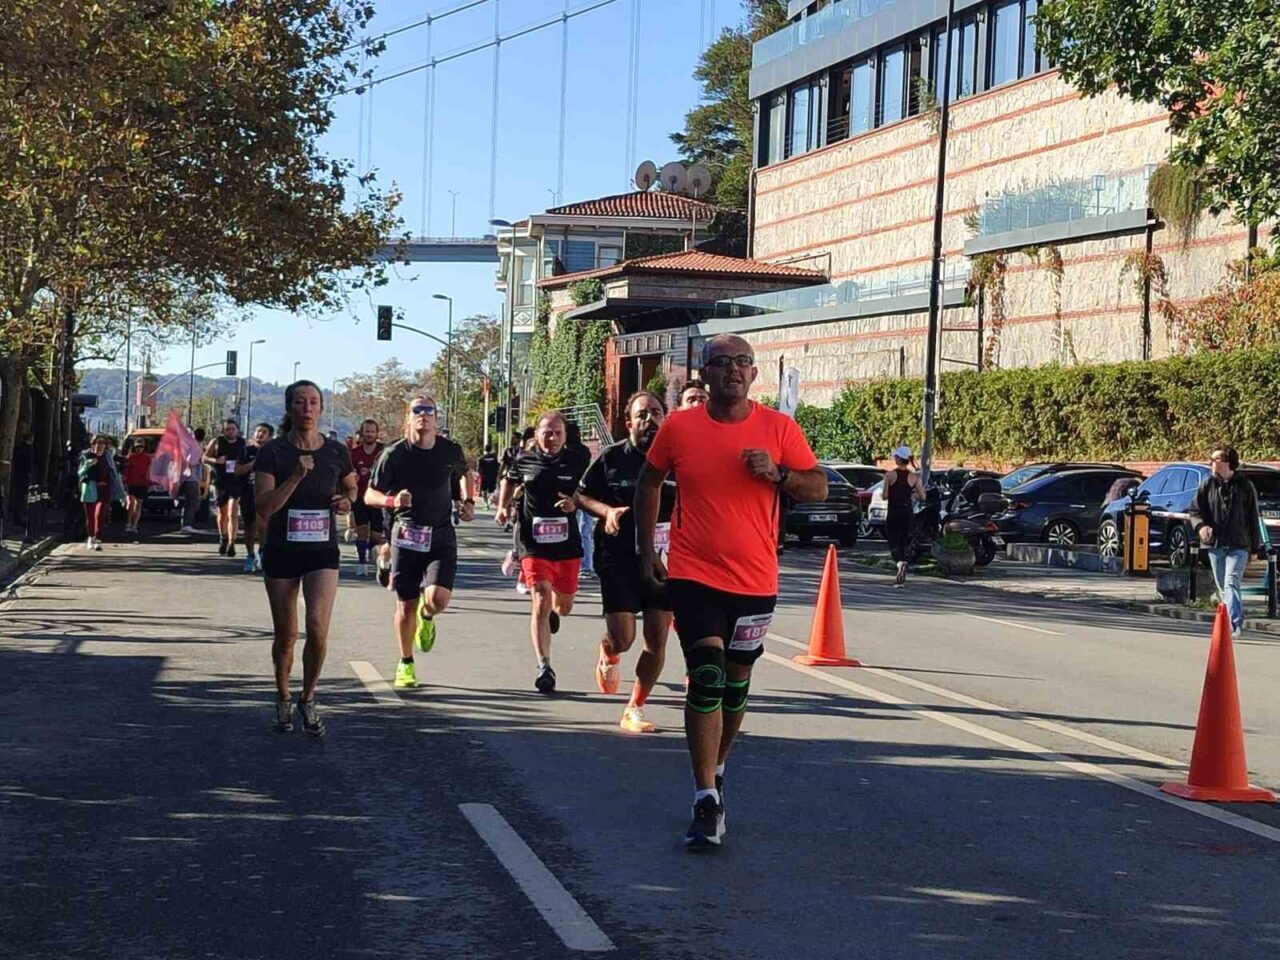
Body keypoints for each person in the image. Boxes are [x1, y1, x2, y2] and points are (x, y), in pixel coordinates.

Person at [636, 334, 826, 849]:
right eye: (722, 363)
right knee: (706, 675)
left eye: (743, 362)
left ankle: (717, 769)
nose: (734, 371)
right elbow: (648, 482)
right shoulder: (679, 427)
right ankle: (704, 798)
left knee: (736, 684)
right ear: (705, 374)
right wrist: (647, 551)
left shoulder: (778, 428)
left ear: (754, 374)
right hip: (694, 574)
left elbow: (818, 486)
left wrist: (779, 474)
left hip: (756, 579)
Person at [253, 381, 357, 738]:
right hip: (282, 549)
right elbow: (264, 507)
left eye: (313, 402)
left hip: (322, 551)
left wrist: (346, 502)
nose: (307, 408)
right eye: (300, 402)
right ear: (289, 408)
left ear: (321, 408)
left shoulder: (336, 451)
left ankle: (308, 697)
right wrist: (296, 476)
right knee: (286, 634)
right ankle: (283, 696)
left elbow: (351, 487)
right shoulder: (273, 452)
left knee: (317, 628)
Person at [577, 391, 677, 733]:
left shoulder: (678, 459)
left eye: (656, 412)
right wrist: (606, 511)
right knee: (624, 639)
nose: (650, 420)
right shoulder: (612, 457)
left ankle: (635, 706)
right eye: (642, 414)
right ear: (628, 422)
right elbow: (581, 495)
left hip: (663, 559)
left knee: (656, 638)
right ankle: (609, 650)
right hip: (618, 556)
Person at [367, 395, 474, 689]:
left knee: (437, 600)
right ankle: (406, 662)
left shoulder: (449, 450)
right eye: (417, 410)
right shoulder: (394, 454)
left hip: (441, 534)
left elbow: (465, 474)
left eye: (429, 410)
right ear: (408, 418)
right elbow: (369, 495)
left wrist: (468, 501)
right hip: (406, 535)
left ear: (436, 418)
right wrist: (392, 501)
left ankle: (427, 617)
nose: (423, 415)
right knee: (406, 604)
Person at [496, 412, 590, 693]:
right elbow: (509, 480)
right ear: (536, 435)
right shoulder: (524, 459)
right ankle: (544, 666)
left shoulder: (578, 459)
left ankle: (553, 613)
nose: (552, 438)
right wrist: (502, 507)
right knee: (539, 598)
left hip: (566, 544)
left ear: (565, 436)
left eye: (558, 433)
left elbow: (590, 491)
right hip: (533, 542)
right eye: (547, 432)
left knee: (564, 606)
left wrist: (575, 502)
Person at [1189, 445, 1263, 636]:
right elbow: (1195, 511)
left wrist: (1255, 548)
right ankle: (1228, 618)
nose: (1211, 462)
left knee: (1231, 582)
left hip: (1239, 544)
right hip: (1215, 544)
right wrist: (1201, 526)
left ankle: (1234, 625)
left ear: (1228, 462)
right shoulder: (1207, 484)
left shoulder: (1244, 486)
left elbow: (1253, 517)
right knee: (1223, 585)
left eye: (1215, 459)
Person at [881, 445, 926, 587]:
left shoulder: (889, 475)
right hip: (907, 513)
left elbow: (884, 495)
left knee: (893, 542)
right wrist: (912, 495)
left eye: (895, 456)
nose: (894, 458)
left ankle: (899, 563)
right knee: (905, 541)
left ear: (899, 459)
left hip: (893, 512)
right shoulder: (914, 477)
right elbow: (922, 497)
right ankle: (904, 563)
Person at [234, 423, 273, 573]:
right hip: (248, 493)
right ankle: (250, 554)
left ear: (270, 436)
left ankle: (263, 552)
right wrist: (254, 463)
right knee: (250, 527)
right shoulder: (246, 451)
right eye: (258, 431)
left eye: (264, 432)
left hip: (267, 495)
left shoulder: (273, 452)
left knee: (264, 525)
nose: (260, 434)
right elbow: (237, 470)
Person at [349, 418, 385, 576]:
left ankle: (371, 551)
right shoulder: (354, 453)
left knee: (376, 536)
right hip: (360, 497)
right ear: (362, 433)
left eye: (372, 431)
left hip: (378, 498)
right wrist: (353, 478)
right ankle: (362, 562)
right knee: (361, 531)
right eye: (367, 431)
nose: (369, 434)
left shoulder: (384, 452)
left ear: (377, 434)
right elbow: (348, 473)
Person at [206, 419, 247, 557]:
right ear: (223, 431)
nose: (230, 432)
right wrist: (216, 460)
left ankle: (232, 542)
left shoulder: (243, 443)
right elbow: (204, 458)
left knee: (232, 512)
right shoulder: (217, 442)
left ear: (237, 430)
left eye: (233, 429)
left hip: (237, 481)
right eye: (227, 429)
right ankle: (223, 537)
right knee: (222, 513)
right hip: (221, 481)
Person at [77, 435, 123, 550]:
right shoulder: (86, 455)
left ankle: (98, 540)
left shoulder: (108, 456)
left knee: (100, 514)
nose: (99, 446)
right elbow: (79, 473)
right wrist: (87, 465)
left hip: (104, 489)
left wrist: (120, 491)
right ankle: (90, 537)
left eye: (102, 443)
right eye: (96, 443)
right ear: (92, 445)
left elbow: (114, 473)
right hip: (89, 489)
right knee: (90, 516)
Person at [566, 422, 595, 577]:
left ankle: (578, 564)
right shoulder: (584, 451)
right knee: (585, 530)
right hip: (586, 492)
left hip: (571, 494)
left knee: (573, 530)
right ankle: (586, 565)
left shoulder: (566, 452)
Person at [123, 438, 153, 535]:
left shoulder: (147, 459)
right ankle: (128, 523)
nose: (139, 449)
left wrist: (149, 482)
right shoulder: (130, 457)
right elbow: (126, 470)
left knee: (138, 504)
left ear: (144, 448)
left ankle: (134, 525)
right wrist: (125, 480)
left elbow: (150, 471)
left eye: (141, 447)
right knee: (131, 503)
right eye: (137, 447)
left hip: (142, 483)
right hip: (131, 483)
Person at [9, 432, 34, 525]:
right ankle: (19, 518)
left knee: (18, 496)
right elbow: (28, 464)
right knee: (21, 497)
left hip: (17, 474)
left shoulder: (18, 448)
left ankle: (17, 517)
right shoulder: (28, 450)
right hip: (24, 475)